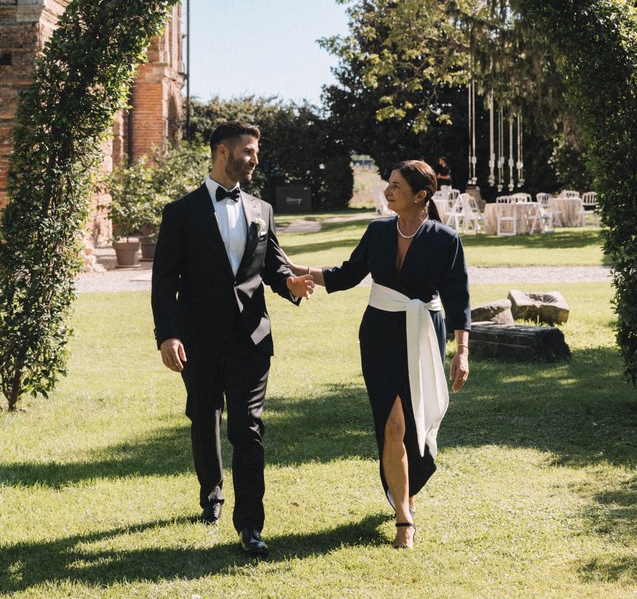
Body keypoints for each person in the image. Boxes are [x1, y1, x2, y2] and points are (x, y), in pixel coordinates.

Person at [287, 160, 470, 550]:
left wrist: (462, 353)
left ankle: (408, 488)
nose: (387, 191)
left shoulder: (446, 239)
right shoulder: (378, 231)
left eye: (396, 186)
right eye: (388, 183)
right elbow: (347, 274)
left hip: (423, 335)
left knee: (416, 425)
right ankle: (404, 516)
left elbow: (459, 299)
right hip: (379, 335)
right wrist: (295, 267)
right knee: (391, 425)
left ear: (420, 195)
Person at [151, 120, 314, 558]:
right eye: (247, 151)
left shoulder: (262, 210)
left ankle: (251, 527)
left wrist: (291, 285)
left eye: (256, 151)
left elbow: (274, 267)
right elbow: (164, 282)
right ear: (221, 152)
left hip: (250, 339)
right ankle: (212, 495)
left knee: (249, 428)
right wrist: (167, 334)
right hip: (198, 339)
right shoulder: (180, 213)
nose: (255, 159)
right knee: (205, 419)